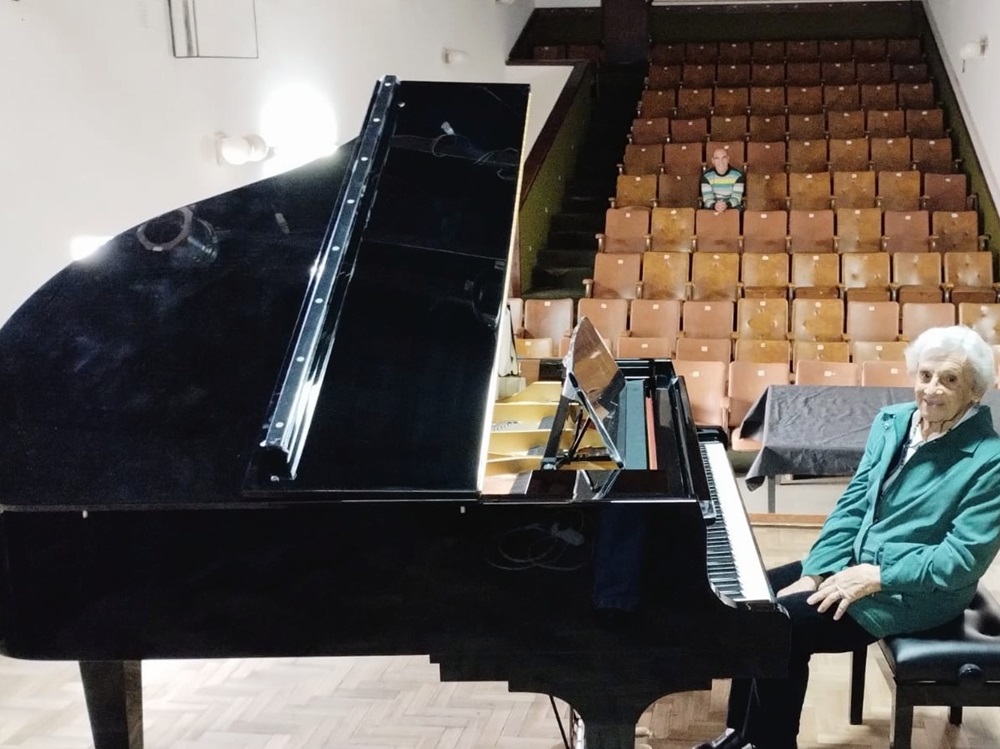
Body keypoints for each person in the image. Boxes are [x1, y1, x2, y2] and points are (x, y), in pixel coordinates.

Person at [697, 325, 1000, 749]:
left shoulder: (990, 460)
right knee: (751, 600)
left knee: (780, 627)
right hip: (855, 562)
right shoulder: (894, 422)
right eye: (925, 375)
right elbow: (853, 504)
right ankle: (739, 735)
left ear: (975, 392)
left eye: (949, 380)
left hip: (913, 592)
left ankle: (768, 743)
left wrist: (877, 575)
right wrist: (817, 571)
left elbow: (961, 560)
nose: (932, 389)